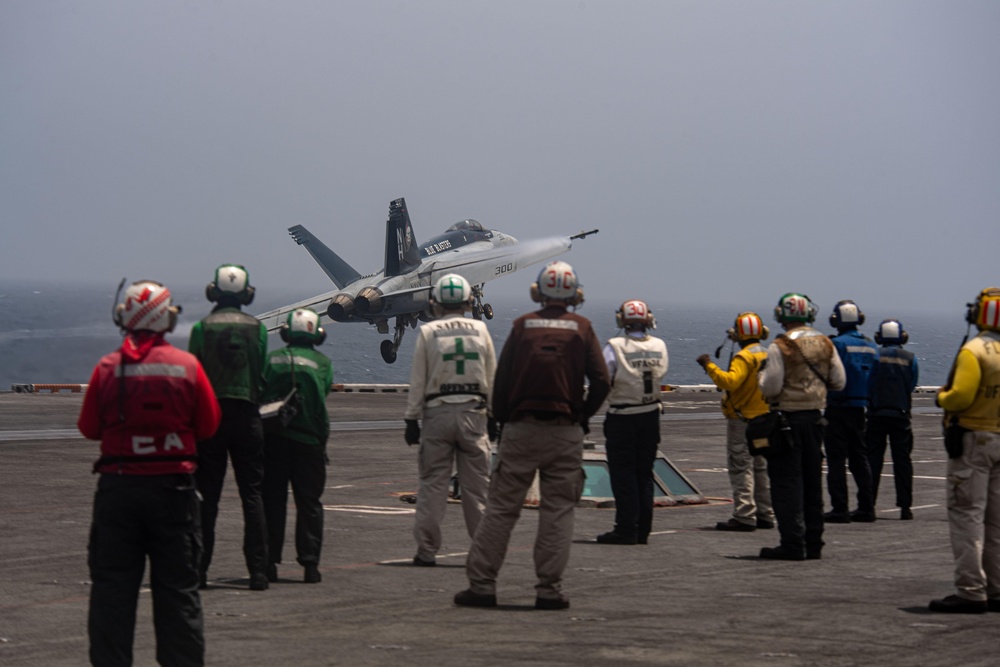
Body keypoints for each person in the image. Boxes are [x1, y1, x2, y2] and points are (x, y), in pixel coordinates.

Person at [78, 280, 221, 666]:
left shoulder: (108, 368)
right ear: (168, 319)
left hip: (119, 491)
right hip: (173, 494)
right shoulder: (187, 367)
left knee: (112, 592)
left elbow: (89, 428)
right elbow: (208, 426)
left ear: (123, 316)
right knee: (178, 593)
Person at [455, 260, 610, 610]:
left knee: (500, 510)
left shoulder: (523, 326)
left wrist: (500, 420)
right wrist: (582, 417)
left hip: (520, 431)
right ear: (575, 294)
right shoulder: (582, 328)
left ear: (537, 292)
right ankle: (548, 591)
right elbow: (602, 381)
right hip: (564, 432)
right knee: (557, 513)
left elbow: (502, 379)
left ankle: (481, 586)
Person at [404, 273, 496, 566]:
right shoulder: (480, 331)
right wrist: (494, 416)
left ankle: (427, 551)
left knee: (433, 485)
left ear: (436, 302)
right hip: (474, 415)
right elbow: (492, 376)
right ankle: (483, 552)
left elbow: (418, 379)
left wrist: (411, 419)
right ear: (469, 301)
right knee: (477, 489)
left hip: (437, 416)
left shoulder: (429, 332)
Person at [188, 264, 270, 590]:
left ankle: (199, 570)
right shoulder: (258, 328)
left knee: (207, 499)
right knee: (253, 495)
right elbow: (262, 375)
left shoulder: (200, 328)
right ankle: (259, 573)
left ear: (213, 292)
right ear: (247, 295)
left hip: (210, 421)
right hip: (249, 418)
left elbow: (193, 378)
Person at [758, 293, 846, 560]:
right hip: (815, 421)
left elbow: (771, 386)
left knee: (786, 484)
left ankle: (792, 543)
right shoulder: (825, 342)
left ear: (781, 315)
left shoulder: (780, 346)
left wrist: (761, 378)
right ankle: (814, 542)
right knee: (812, 483)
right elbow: (839, 381)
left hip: (787, 422)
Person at [929, 287, 1000, 613]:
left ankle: (972, 590)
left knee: (967, 514)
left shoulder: (974, 350)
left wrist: (942, 398)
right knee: (996, 521)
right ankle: (997, 589)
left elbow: (960, 396)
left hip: (974, 440)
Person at [261, 308, 333, 584]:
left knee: (272, 502)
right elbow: (322, 397)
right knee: (310, 504)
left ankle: (268, 564)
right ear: (317, 334)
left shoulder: (271, 360)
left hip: (274, 441)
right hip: (310, 443)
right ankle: (310, 565)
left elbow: (262, 394)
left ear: (286, 332)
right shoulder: (323, 364)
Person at [596, 299, 668, 545]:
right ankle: (643, 530)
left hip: (623, 417)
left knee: (622, 473)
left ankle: (626, 528)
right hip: (650, 416)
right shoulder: (659, 345)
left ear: (621, 320)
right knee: (644, 473)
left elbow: (603, 377)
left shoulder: (614, 346)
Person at [696, 312, 776, 532]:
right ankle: (765, 513)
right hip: (764, 420)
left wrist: (709, 366)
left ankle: (744, 515)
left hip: (742, 422)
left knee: (741, 467)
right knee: (760, 468)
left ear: (737, 334)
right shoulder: (767, 354)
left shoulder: (743, 357)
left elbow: (729, 382)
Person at [823, 300, 880, 523]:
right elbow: (876, 377)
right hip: (860, 410)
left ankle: (840, 508)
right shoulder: (871, 346)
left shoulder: (835, 345)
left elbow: (828, 374)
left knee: (836, 461)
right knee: (860, 460)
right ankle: (867, 508)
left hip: (837, 408)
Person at [866, 319, 919, 520]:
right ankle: (905, 507)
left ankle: (868, 503)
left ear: (880, 337)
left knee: (872, 460)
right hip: (901, 415)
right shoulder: (910, 358)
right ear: (902, 337)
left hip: (876, 415)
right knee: (903, 461)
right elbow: (912, 384)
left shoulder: (874, 357)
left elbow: (868, 384)